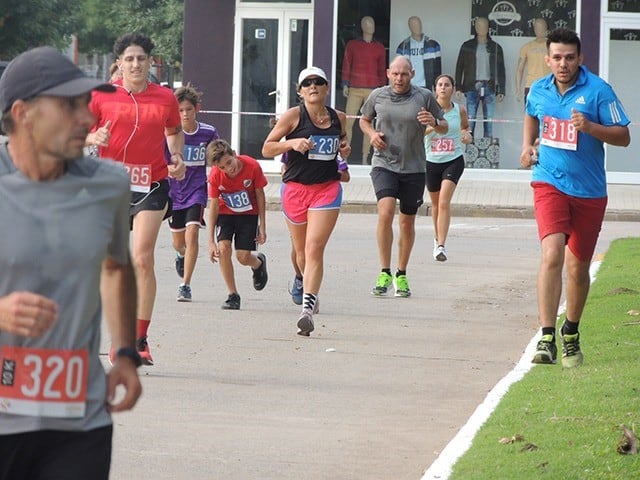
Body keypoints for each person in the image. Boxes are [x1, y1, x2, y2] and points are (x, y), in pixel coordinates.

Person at [0, 46, 142, 479]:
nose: (87, 118)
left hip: (78, 416)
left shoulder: (109, 185)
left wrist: (124, 354)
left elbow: (117, 267)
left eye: (86, 104)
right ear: (23, 113)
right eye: (69, 106)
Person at [520, 28, 630, 368]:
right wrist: (527, 146)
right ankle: (547, 336)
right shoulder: (539, 89)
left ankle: (571, 331)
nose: (563, 63)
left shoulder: (599, 91)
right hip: (549, 182)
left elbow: (623, 136)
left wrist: (591, 128)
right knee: (552, 252)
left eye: (569, 57)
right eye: (557, 57)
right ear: (547, 59)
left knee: (577, 266)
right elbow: (531, 115)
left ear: (580, 59)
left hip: (589, 191)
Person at [86, 32, 186, 366]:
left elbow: (174, 132)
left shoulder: (165, 98)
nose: (135, 64)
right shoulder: (101, 96)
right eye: (129, 59)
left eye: (141, 58)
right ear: (119, 63)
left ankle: (138, 339)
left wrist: (176, 158)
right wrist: (92, 135)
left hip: (152, 183)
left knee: (142, 259)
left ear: (150, 61)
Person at [262, 66, 351, 336]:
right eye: (307, 83)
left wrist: (344, 151)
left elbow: (343, 144)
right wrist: (291, 144)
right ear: (300, 92)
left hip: (327, 188)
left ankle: (307, 310)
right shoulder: (293, 116)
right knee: (300, 252)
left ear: (326, 88)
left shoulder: (339, 117)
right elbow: (266, 148)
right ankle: (303, 280)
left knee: (314, 248)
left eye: (318, 82)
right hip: (295, 190)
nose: (313, 86)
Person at [359, 55, 448, 298]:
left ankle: (401, 273)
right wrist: (372, 134)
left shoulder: (423, 96)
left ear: (412, 74)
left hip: (414, 167)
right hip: (384, 163)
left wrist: (434, 122)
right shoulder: (378, 95)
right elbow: (364, 120)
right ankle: (384, 271)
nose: (399, 78)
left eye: (404, 74)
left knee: (407, 221)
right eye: (395, 74)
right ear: (388, 73)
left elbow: (444, 126)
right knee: (386, 212)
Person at [168, 84, 219, 302]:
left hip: (197, 190)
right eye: (180, 110)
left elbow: (218, 154)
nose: (185, 114)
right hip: (174, 191)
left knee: (192, 233)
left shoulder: (207, 132)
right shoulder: (170, 134)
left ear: (196, 109)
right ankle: (180, 254)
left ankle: (185, 285)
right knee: (179, 242)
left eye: (189, 109)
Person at [281, 152, 351, 306]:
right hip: (295, 194)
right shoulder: (296, 144)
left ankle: (310, 295)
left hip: (322, 195)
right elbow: (284, 168)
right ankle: (300, 277)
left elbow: (346, 176)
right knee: (298, 248)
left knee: (312, 248)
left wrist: (327, 175)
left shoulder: (331, 151)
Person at [206, 139, 268, 310]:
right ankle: (233, 295)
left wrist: (262, 226)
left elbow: (261, 195)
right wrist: (211, 240)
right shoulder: (215, 176)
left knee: (242, 257)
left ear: (234, 154)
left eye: (229, 162)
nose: (228, 169)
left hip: (248, 214)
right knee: (224, 249)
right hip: (226, 214)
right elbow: (213, 205)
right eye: (222, 167)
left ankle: (258, 264)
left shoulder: (252, 166)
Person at [424, 74, 473, 262]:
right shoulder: (428, 111)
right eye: (440, 85)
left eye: (447, 85)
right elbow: (420, 132)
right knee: (436, 205)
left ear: (453, 89)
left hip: (453, 160)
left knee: (444, 202)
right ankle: (437, 241)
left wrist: (466, 135)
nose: (443, 88)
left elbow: (466, 128)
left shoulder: (459, 110)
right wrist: (435, 126)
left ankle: (442, 245)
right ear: (435, 89)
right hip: (432, 161)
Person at [341, 16, 386, 164]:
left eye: (372, 23)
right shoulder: (352, 45)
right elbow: (347, 64)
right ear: (362, 26)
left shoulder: (379, 48)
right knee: (348, 123)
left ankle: (365, 158)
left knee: (370, 125)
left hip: (373, 90)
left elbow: (381, 69)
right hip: (354, 88)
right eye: (367, 23)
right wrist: (345, 83)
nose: (370, 26)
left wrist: (382, 89)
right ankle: (345, 156)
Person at [454, 17, 505, 138]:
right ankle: (470, 151)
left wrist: (501, 90)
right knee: (470, 121)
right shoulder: (467, 46)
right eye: (478, 25)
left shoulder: (495, 47)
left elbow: (501, 70)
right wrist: (458, 87)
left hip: (490, 86)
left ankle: (488, 153)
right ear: (475, 27)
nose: (481, 28)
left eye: (484, 26)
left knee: (489, 122)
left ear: (488, 28)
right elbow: (459, 67)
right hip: (472, 86)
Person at [395, 16, 442, 90]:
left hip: (426, 85)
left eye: (419, 24)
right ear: (410, 27)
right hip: (409, 84)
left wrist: (437, 86)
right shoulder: (402, 47)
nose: (418, 27)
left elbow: (437, 68)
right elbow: (397, 68)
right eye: (414, 25)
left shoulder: (433, 45)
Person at [516, 18, 551, 104]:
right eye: (538, 28)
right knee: (530, 115)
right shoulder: (526, 47)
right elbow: (520, 69)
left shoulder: (552, 47)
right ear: (534, 29)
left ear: (546, 29)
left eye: (543, 28)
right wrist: (518, 89)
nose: (540, 30)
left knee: (546, 115)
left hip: (548, 86)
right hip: (531, 86)